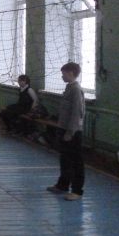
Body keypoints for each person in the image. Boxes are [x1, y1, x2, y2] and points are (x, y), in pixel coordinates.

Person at [46, 62, 86, 201]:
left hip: (73, 132)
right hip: (64, 129)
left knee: (75, 162)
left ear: (71, 73)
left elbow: (77, 113)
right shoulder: (69, 87)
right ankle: (63, 185)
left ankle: (77, 191)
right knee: (65, 160)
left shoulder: (76, 90)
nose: (62, 76)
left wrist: (70, 132)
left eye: (63, 74)